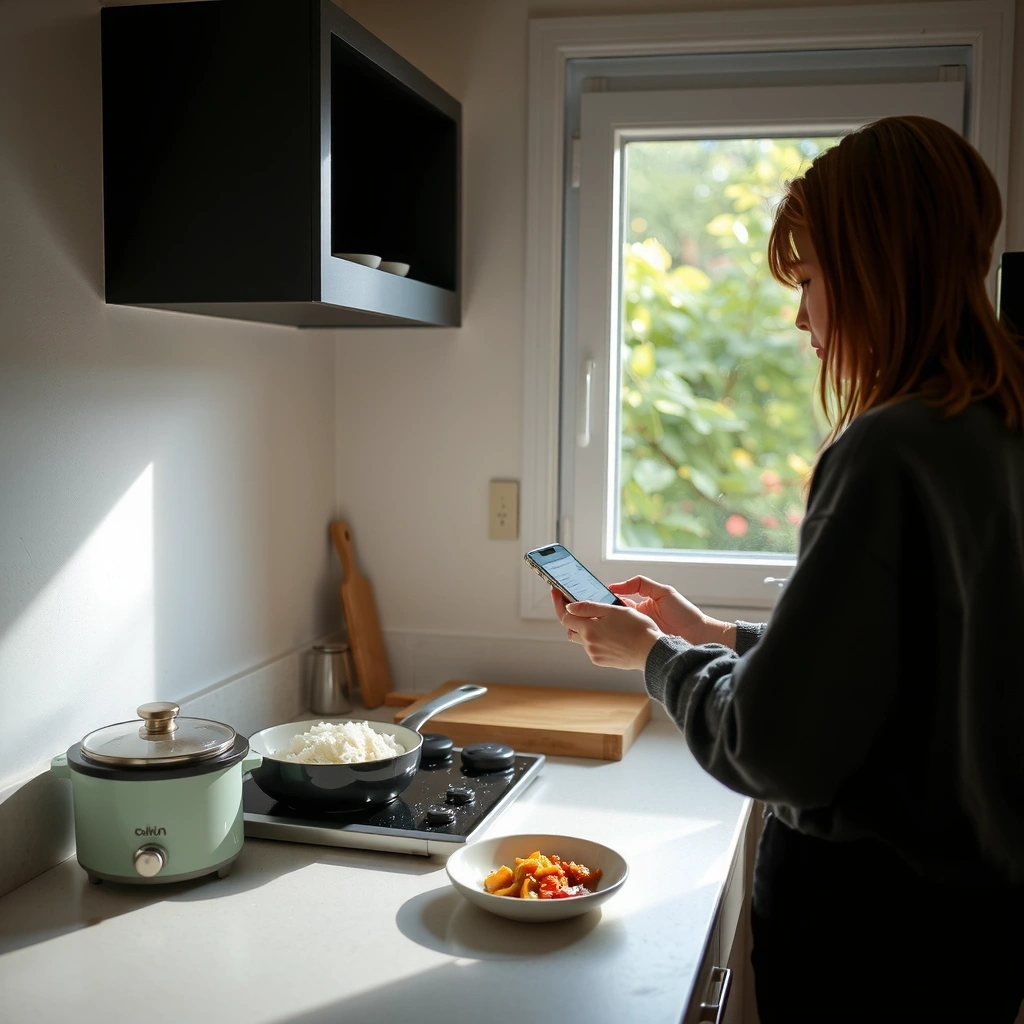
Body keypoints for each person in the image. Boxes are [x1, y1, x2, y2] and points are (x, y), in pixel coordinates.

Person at [552, 115, 1024, 1023]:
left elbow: (773, 748)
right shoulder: (1001, 429)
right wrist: (717, 635)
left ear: (879, 266)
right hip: (979, 932)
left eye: (810, 279)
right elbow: (914, 673)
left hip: (869, 939)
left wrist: (654, 655)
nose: (801, 314)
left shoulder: (889, 451)